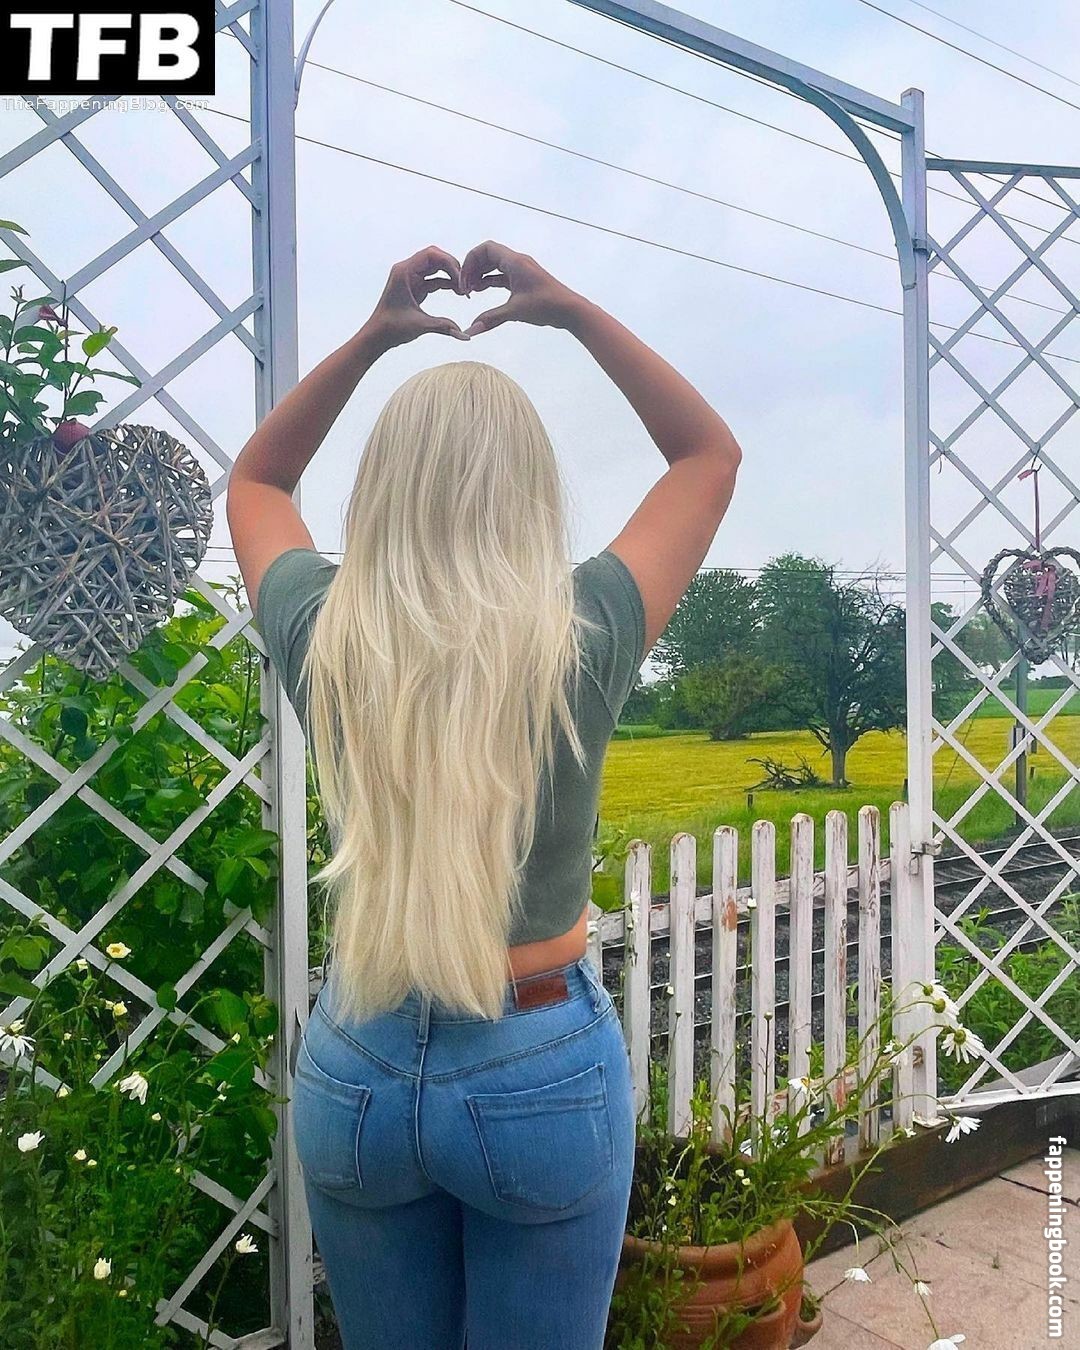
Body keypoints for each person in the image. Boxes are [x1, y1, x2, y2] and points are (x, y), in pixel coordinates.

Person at [226, 240, 741, 1350]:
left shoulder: (324, 628)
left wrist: (371, 338)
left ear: (383, 490)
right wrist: (568, 310)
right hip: (537, 1057)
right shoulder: (586, 629)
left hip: (357, 1058)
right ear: (530, 494)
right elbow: (707, 453)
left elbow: (256, 482)